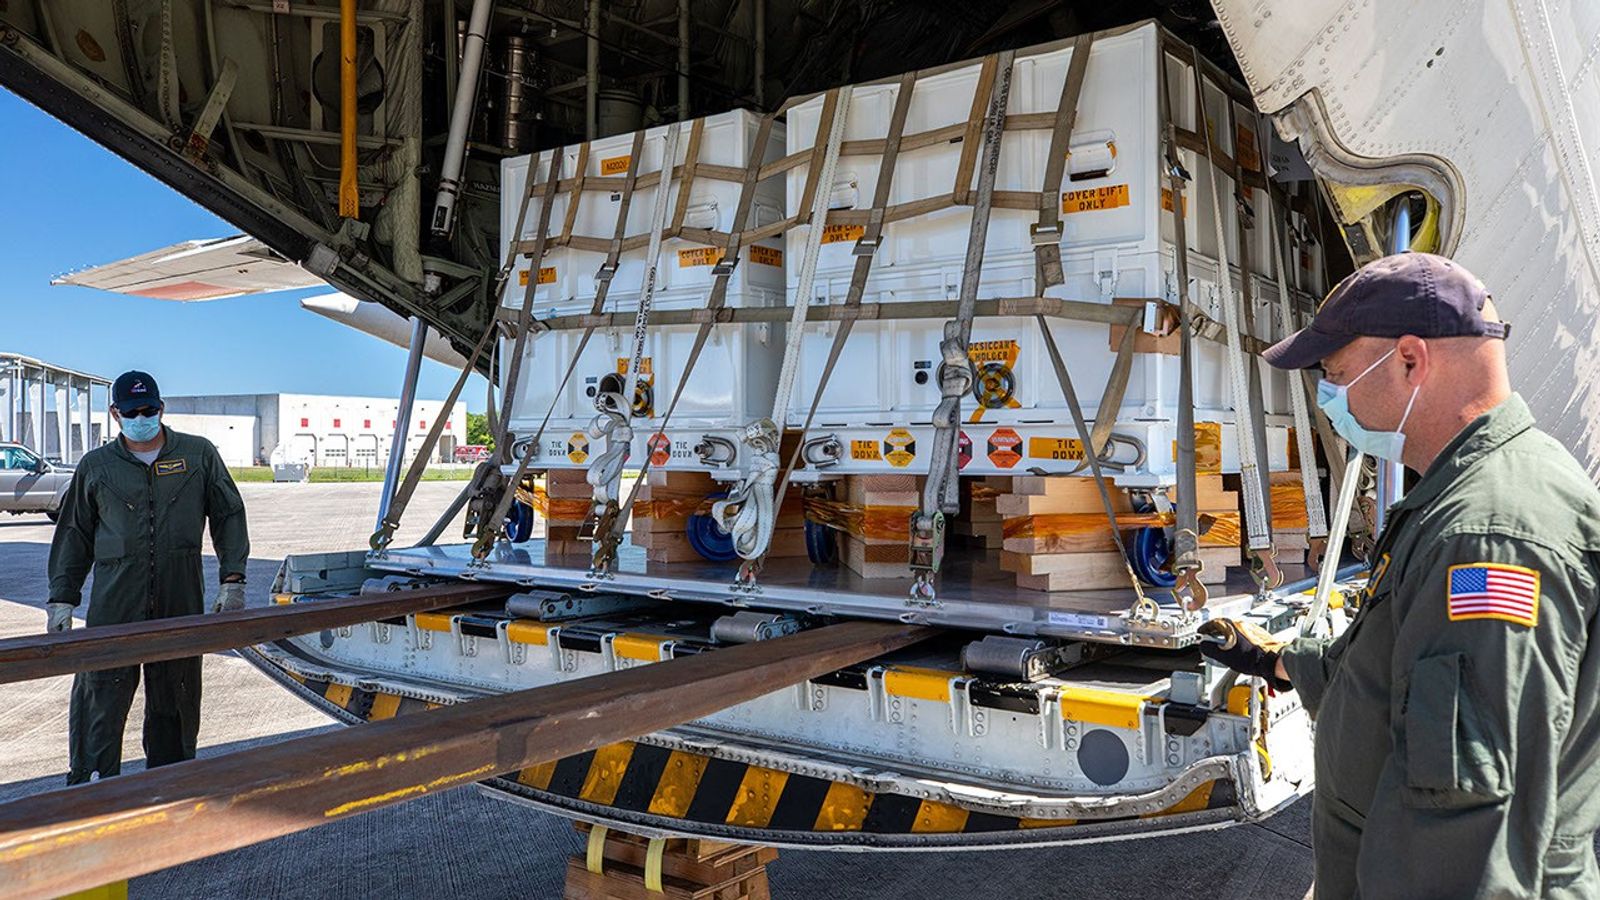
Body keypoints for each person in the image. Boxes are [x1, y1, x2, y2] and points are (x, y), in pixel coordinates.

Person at [1201, 252, 1600, 897]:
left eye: (1334, 374)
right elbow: (1395, 672)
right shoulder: (1455, 497)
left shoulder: (1485, 538)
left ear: (1410, 361)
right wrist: (1274, 660)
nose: (1327, 397)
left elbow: (1464, 819)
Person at [46, 370, 250, 783]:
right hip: (114, 604)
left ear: (162, 408)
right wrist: (61, 597)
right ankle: (93, 788)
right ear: (115, 414)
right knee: (100, 696)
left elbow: (228, 514)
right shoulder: (97, 466)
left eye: (149, 410)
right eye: (132, 411)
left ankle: (169, 787)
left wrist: (233, 579)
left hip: (180, 600)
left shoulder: (198, 455)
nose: (142, 418)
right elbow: (74, 534)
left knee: (176, 697)